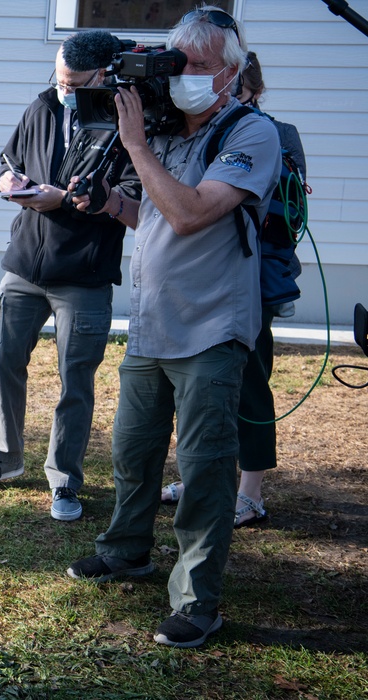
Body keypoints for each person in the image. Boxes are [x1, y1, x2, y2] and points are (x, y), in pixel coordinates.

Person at [66, 8, 281, 648]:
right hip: (152, 325)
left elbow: (190, 215)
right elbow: (155, 216)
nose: (185, 76)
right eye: (178, 62)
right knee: (132, 453)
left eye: (201, 66)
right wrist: (110, 203)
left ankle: (197, 603)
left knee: (205, 469)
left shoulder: (252, 134)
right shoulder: (165, 132)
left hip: (213, 331)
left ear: (231, 73)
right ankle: (127, 549)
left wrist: (134, 145)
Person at [0, 31, 141, 523]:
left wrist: (65, 199)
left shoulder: (131, 124)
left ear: (103, 76)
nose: (62, 89)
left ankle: (64, 480)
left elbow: (129, 197)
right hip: (24, 265)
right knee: (3, 358)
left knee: (74, 380)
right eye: (58, 79)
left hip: (83, 274)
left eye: (73, 83)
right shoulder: (41, 106)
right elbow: (8, 159)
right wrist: (7, 181)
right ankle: (4, 458)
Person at [160, 51, 308, 528]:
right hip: (202, 274)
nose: (227, 104)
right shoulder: (195, 129)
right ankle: (196, 475)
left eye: (238, 95)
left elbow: (289, 214)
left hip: (253, 277)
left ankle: (251, 491)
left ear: (253, 92)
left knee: (250, 384)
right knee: (197, 386)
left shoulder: (273, 133)